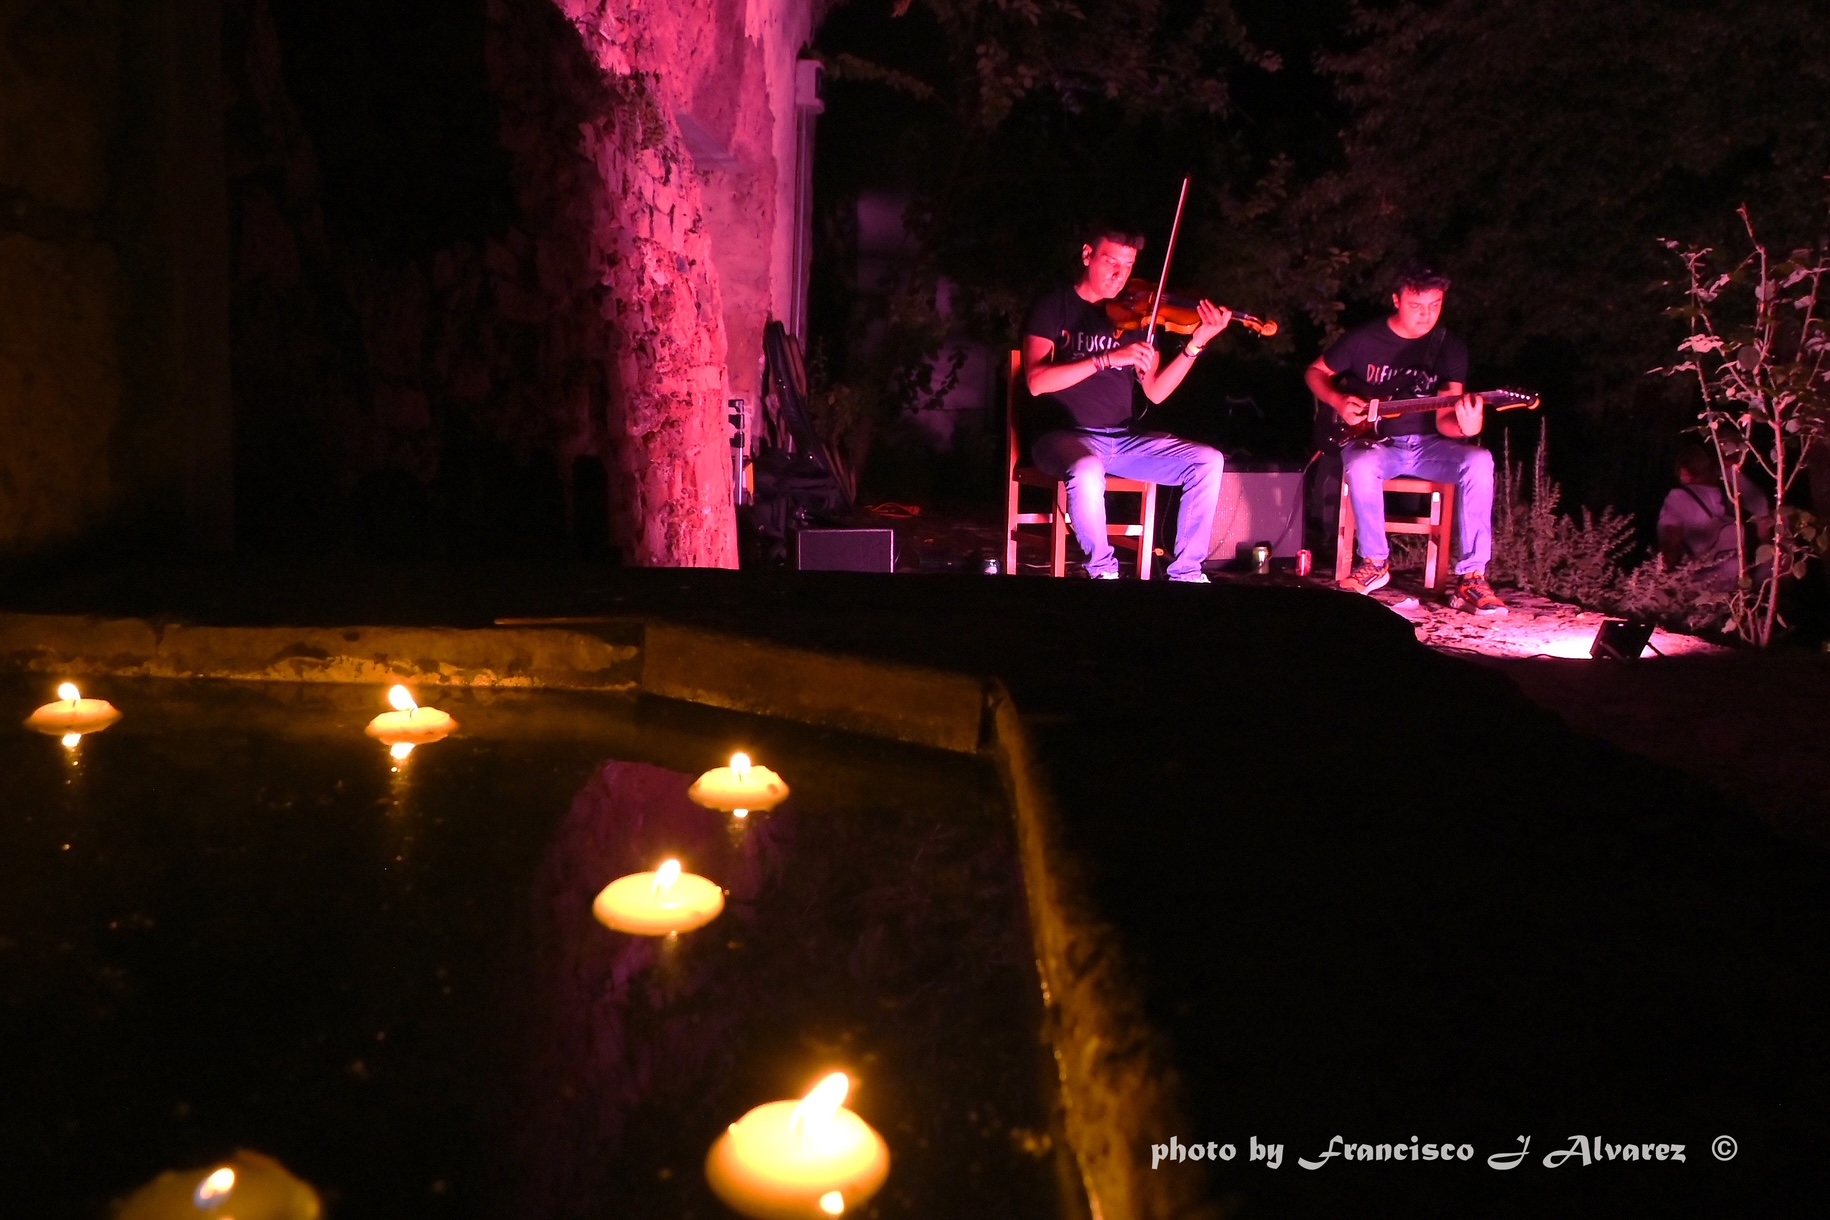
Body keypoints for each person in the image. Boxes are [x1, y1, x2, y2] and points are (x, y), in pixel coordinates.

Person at [1023, 226, 1232, 582]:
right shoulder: (1053, 306)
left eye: (1128, 265)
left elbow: (1156, 392)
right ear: (1088, 255)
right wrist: (1107, 359)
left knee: (1207, 461)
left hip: (1121, 440)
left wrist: (1196, 344)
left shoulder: (1138, 316)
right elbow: (1036, 382)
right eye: (1111, 262)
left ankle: (1187, 573)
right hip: (1062, 437)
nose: (1120, 275)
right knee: (1087, 468)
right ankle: (1103, 571)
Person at [1304, 264, 1506, 615]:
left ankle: (1472, 576)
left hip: (1429, 446)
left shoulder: (1448, 348)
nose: (1426, 314)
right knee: (1361, 462)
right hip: (1376, 444)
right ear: (1396, 301)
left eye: (1435, 305)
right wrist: (1338, 400)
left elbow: (1446, 420)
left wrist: (1466, 428)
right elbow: (1315, 372)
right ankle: (1375, 562)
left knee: (1479, 460)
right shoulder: (1364, 339)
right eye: (1416, 305)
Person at [1658, 442, 1770, 590]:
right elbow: (1762, 507)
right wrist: (1730, 471)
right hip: (1738, 589)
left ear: (1684, 472)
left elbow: (1670, 545)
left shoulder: (1678, 498)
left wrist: (1663, 584)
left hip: (1702, 590)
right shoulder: (1730, 495)